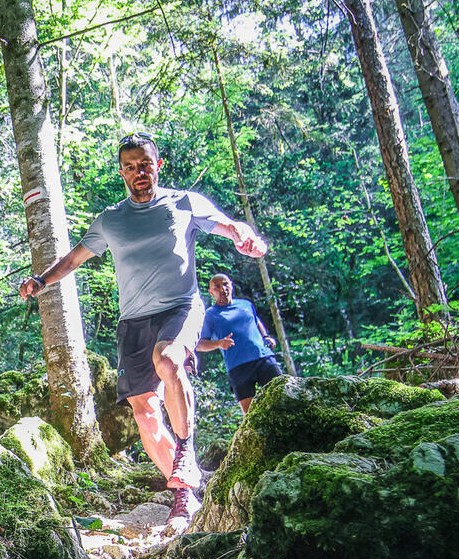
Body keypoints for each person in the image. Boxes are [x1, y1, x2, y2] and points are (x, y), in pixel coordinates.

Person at [18, 133, 270, 528]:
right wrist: (41, 281)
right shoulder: (111, 220)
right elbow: (72, 260)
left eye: (145, 165)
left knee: (169, 361)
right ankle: (186, 493)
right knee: (145, 413)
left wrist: (244, 236)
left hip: (180, 308)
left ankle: (186, 452)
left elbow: (228, 224)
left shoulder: (184, 203)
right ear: (122, 172)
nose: (139, 173)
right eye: (131, 167)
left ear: (158, 165)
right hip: (132, 322)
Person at [198, 273, 283, 412]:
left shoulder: (246, 304)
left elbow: (256, 320)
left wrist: (266, 336)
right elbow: (199, 344)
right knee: (250, 414)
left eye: (225, 284)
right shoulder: (210, 315)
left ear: (231, 285)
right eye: (217, 287)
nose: (222, 289)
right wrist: (219, 343)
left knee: (283, 397)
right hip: (238, 367)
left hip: (263, 358)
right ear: (211, 292)